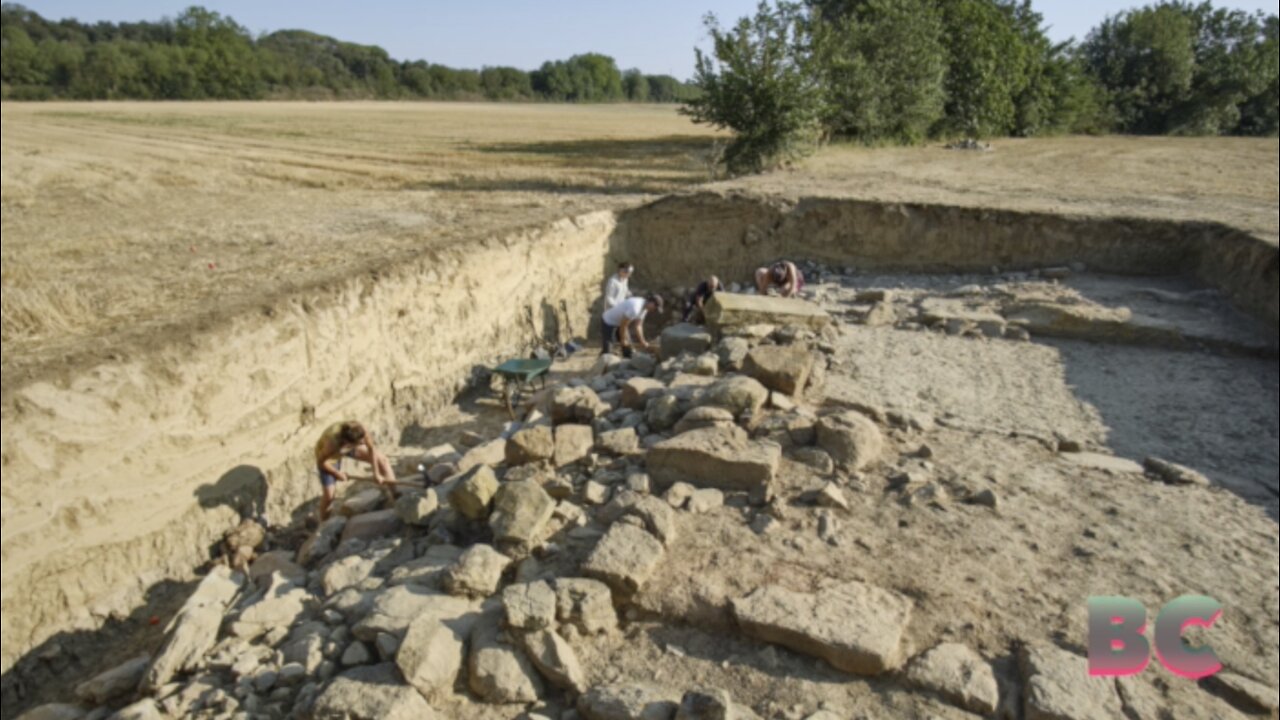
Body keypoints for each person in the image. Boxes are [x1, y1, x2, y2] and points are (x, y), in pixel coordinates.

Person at [314, 420, 397, 521]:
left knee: (383, 461)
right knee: (329, 496)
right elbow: (321, 462)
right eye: (360, 442)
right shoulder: (331, 444)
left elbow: (371, 449)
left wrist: (376, 473)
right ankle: (324, 524)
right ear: (347, 442)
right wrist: (337, 473)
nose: (363, 443)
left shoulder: (360, 430)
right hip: (330, 458)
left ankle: (396, 495)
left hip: (349, 446)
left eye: (362, 440)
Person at [601, 293, 662, 357]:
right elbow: (623, 325)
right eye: (655, 308)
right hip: (608, 321)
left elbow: (638, 325)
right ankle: (603, 359)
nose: (655, 310)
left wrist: (643, 342)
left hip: (620, 323)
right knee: (608, 351)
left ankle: (627, 362)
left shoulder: (644, 308)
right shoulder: (635, 308)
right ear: (651, 303)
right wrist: (623, 340)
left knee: (628, 349)